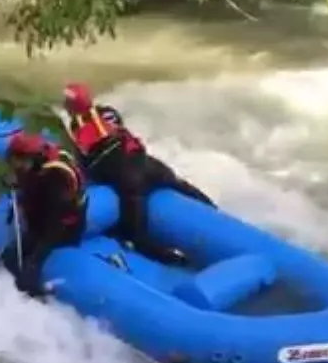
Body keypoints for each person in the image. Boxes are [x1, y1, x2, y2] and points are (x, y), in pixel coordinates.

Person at [61, 82, 215, 265]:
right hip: (146, 164)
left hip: (128, 180)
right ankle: (212, 210)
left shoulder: (76, 127)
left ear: (70, 107)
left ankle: (174, 262)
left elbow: (84, 163)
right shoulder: (108, 112)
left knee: (135, 237)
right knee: (179, 184)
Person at [0, 130, 87, 299]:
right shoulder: (41, 162)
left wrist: (35, 262)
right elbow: (28, 182)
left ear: (30, 159)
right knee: (10, 257)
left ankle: (33, 294)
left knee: (11, 258)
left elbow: (54, 227)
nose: (14, 166)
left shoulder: (56, 183)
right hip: (47, 216)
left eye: (16, 162)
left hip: (63, 229)